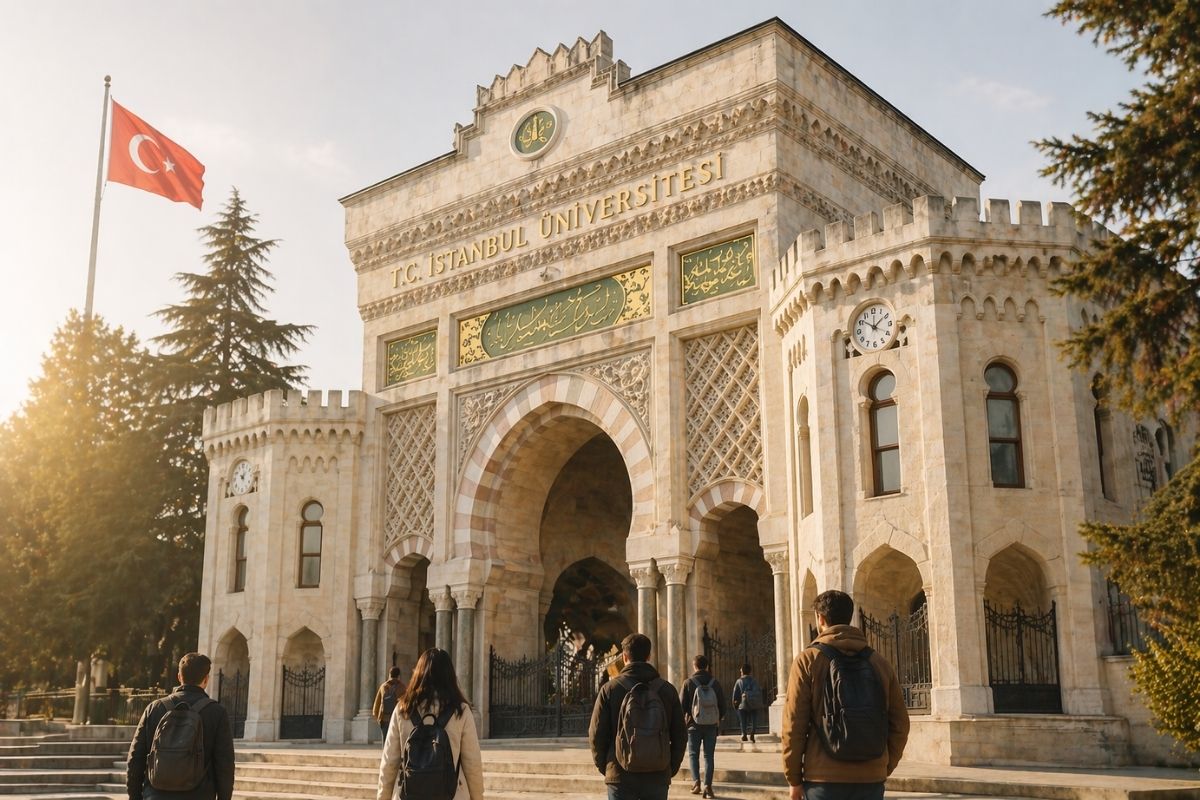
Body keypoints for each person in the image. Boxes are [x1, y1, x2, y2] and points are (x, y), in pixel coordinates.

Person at [782, 590, 910, 800]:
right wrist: (883, 766)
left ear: (820, 619)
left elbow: (794, 725)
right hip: (871, 778)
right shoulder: (880, 663)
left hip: (823, 779)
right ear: (849, 617)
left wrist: (793, 779)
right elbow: (900, 723)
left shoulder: (808, 660)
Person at [589, 633, 687, 800]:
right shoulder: (667, 690)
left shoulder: (610, 689)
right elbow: (680, 735)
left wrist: (607, 766)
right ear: (649, 656)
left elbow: (596, 734)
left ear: (625, 656)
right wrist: (669, 767)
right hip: (657, 774)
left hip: (619, 774)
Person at [376, 648, 483, 800]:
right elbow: (472, 763)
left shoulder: (402, 709)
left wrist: (383, 797)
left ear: (418, 673)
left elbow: (389, 762)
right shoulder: (461, 710)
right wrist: (477, 797)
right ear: (450, 675)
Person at [126, 652, 235, 800]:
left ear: (179, 677)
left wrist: (135, 797)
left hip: (156, 795)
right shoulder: (216, 712)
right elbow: (224, 764)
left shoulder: (155, 708)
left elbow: (135, 758)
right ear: (206, 679)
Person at [680, 654, 726, 798]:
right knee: (709, 756)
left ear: (694, 666)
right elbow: (723, 706)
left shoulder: (688, 683)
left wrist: (686, 719)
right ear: (707, 666)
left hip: (693, 725)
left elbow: (681, 706)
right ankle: (708, 786)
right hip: (711, 725)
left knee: (693, 755)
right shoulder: (715, 683)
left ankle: (696, 783)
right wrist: (716, 718)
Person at [372, 666, 407, 737]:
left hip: (385, 720)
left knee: (385, 744)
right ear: (399, 676)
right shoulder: (403, 688)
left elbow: (376, 705)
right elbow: (406, 704)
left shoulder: (383, 686)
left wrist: (379, 718)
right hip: (397, 720)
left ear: (389, 675)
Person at [731, 663, 762, 744]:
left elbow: (736, 693)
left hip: (742, 704)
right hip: (753, 703)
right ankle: (752, 732)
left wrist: (735, 703)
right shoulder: (754, 681)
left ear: (742, 671)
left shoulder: (739, 681)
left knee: (743, 720)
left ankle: (744, 733)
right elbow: (758, 691)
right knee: (753, 719)